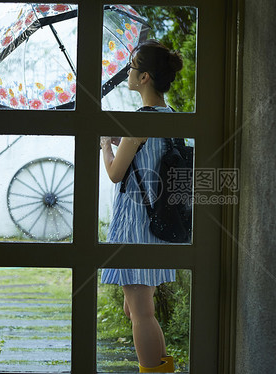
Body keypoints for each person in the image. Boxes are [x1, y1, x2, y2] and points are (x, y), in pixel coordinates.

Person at [100, 40, 184, 373]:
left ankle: (155, 371)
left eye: (133, 66)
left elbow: (115, 172)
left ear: (145, 76)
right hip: (158, 221)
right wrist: (123, 143)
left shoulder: (139, 122)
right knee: (134, 307)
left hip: (138, 222)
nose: (129, 72)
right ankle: (161, 366)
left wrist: (105, 145)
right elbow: (151, 157)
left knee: (141, 312)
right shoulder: (171, 117)